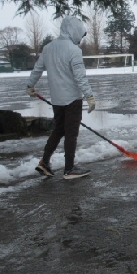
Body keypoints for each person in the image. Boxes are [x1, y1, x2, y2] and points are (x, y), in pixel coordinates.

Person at [26, 16, 96, 179]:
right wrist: (89, 96)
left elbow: (37, 69)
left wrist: (30, 85)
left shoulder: (48, 48)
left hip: (57, 100)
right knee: (71, 133)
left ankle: (44, 162)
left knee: (59, 130)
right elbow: (80, 77)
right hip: (72, 99)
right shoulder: (74, 50)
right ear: (75, 31)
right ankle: (69, 169)